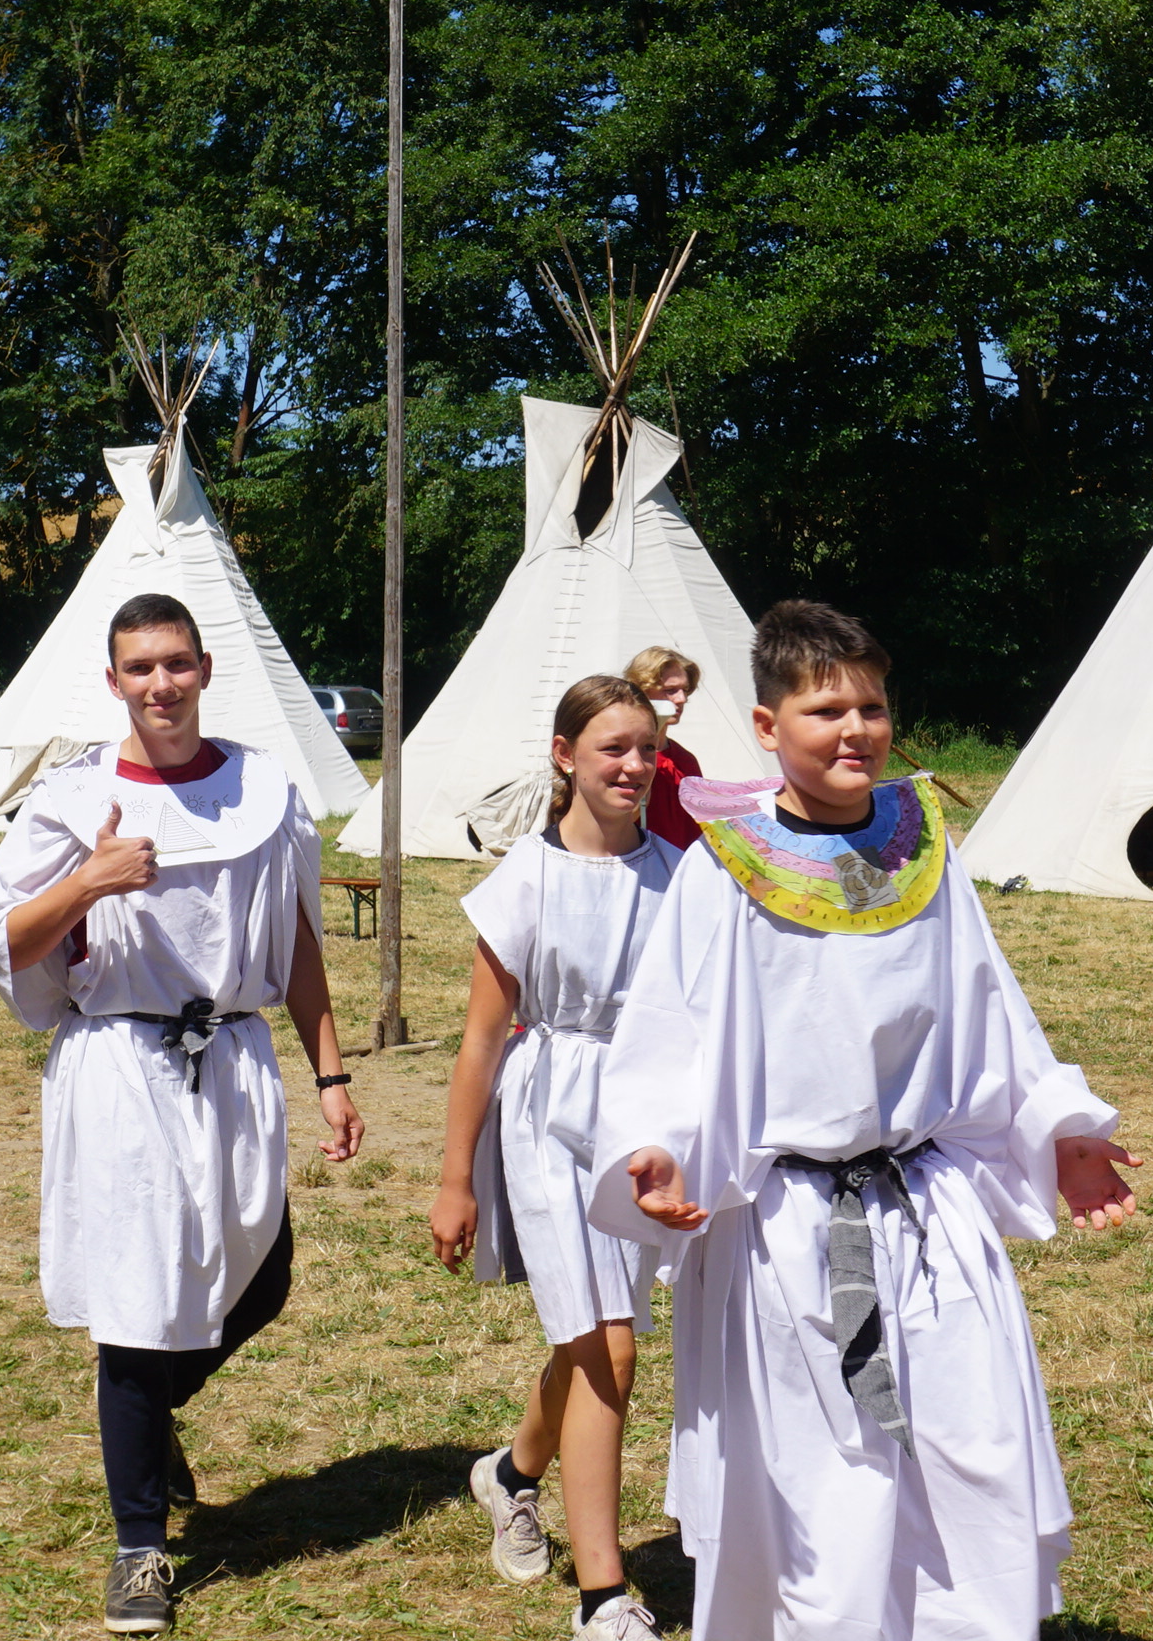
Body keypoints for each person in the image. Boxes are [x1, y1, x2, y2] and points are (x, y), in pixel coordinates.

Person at [587, 600, 1141, 1640]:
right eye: (825, 709)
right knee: (822, 1488)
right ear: (767, 725)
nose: (854, 730)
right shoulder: (724, 867)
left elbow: (990, 1007)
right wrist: (653, 1146)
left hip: (927, 1213)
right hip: (788, 1232)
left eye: (872, 707)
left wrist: (1060, 1130)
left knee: (967, 1454)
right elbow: (668, 1030)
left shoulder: (923, 849)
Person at [0, 592, 364, 1637]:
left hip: (230, 1058)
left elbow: (296, 940)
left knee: (262, 1273)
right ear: (114, 681)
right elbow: (2, 941)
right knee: (138, 1308)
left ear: (203, 669)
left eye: (176, 663)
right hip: (121, 1068)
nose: (161, 684)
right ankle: (140, 1547)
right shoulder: (72, 801)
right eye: (140, 668)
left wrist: (330, 1075)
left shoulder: (263, 790)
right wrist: (89, 881)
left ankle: (144, 1421)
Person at [430, 674, 678, 1639]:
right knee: (608, 1344)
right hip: (547, 1117)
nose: (634, 765)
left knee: (591, 1336)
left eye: (647, 748)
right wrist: (456, 1180)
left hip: (639, 1120)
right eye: (614, 747)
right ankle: (603, 1596)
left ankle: (511, 1471)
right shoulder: (526, 880)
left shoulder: (679, 876)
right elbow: (480, 1042)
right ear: (565, 756)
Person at [624, 645, 704, 850]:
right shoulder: (623, 760)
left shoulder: (685, 761)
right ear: (642, 691)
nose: (681, 699)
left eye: (685, 690)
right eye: (670, 691)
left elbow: (695, 833)